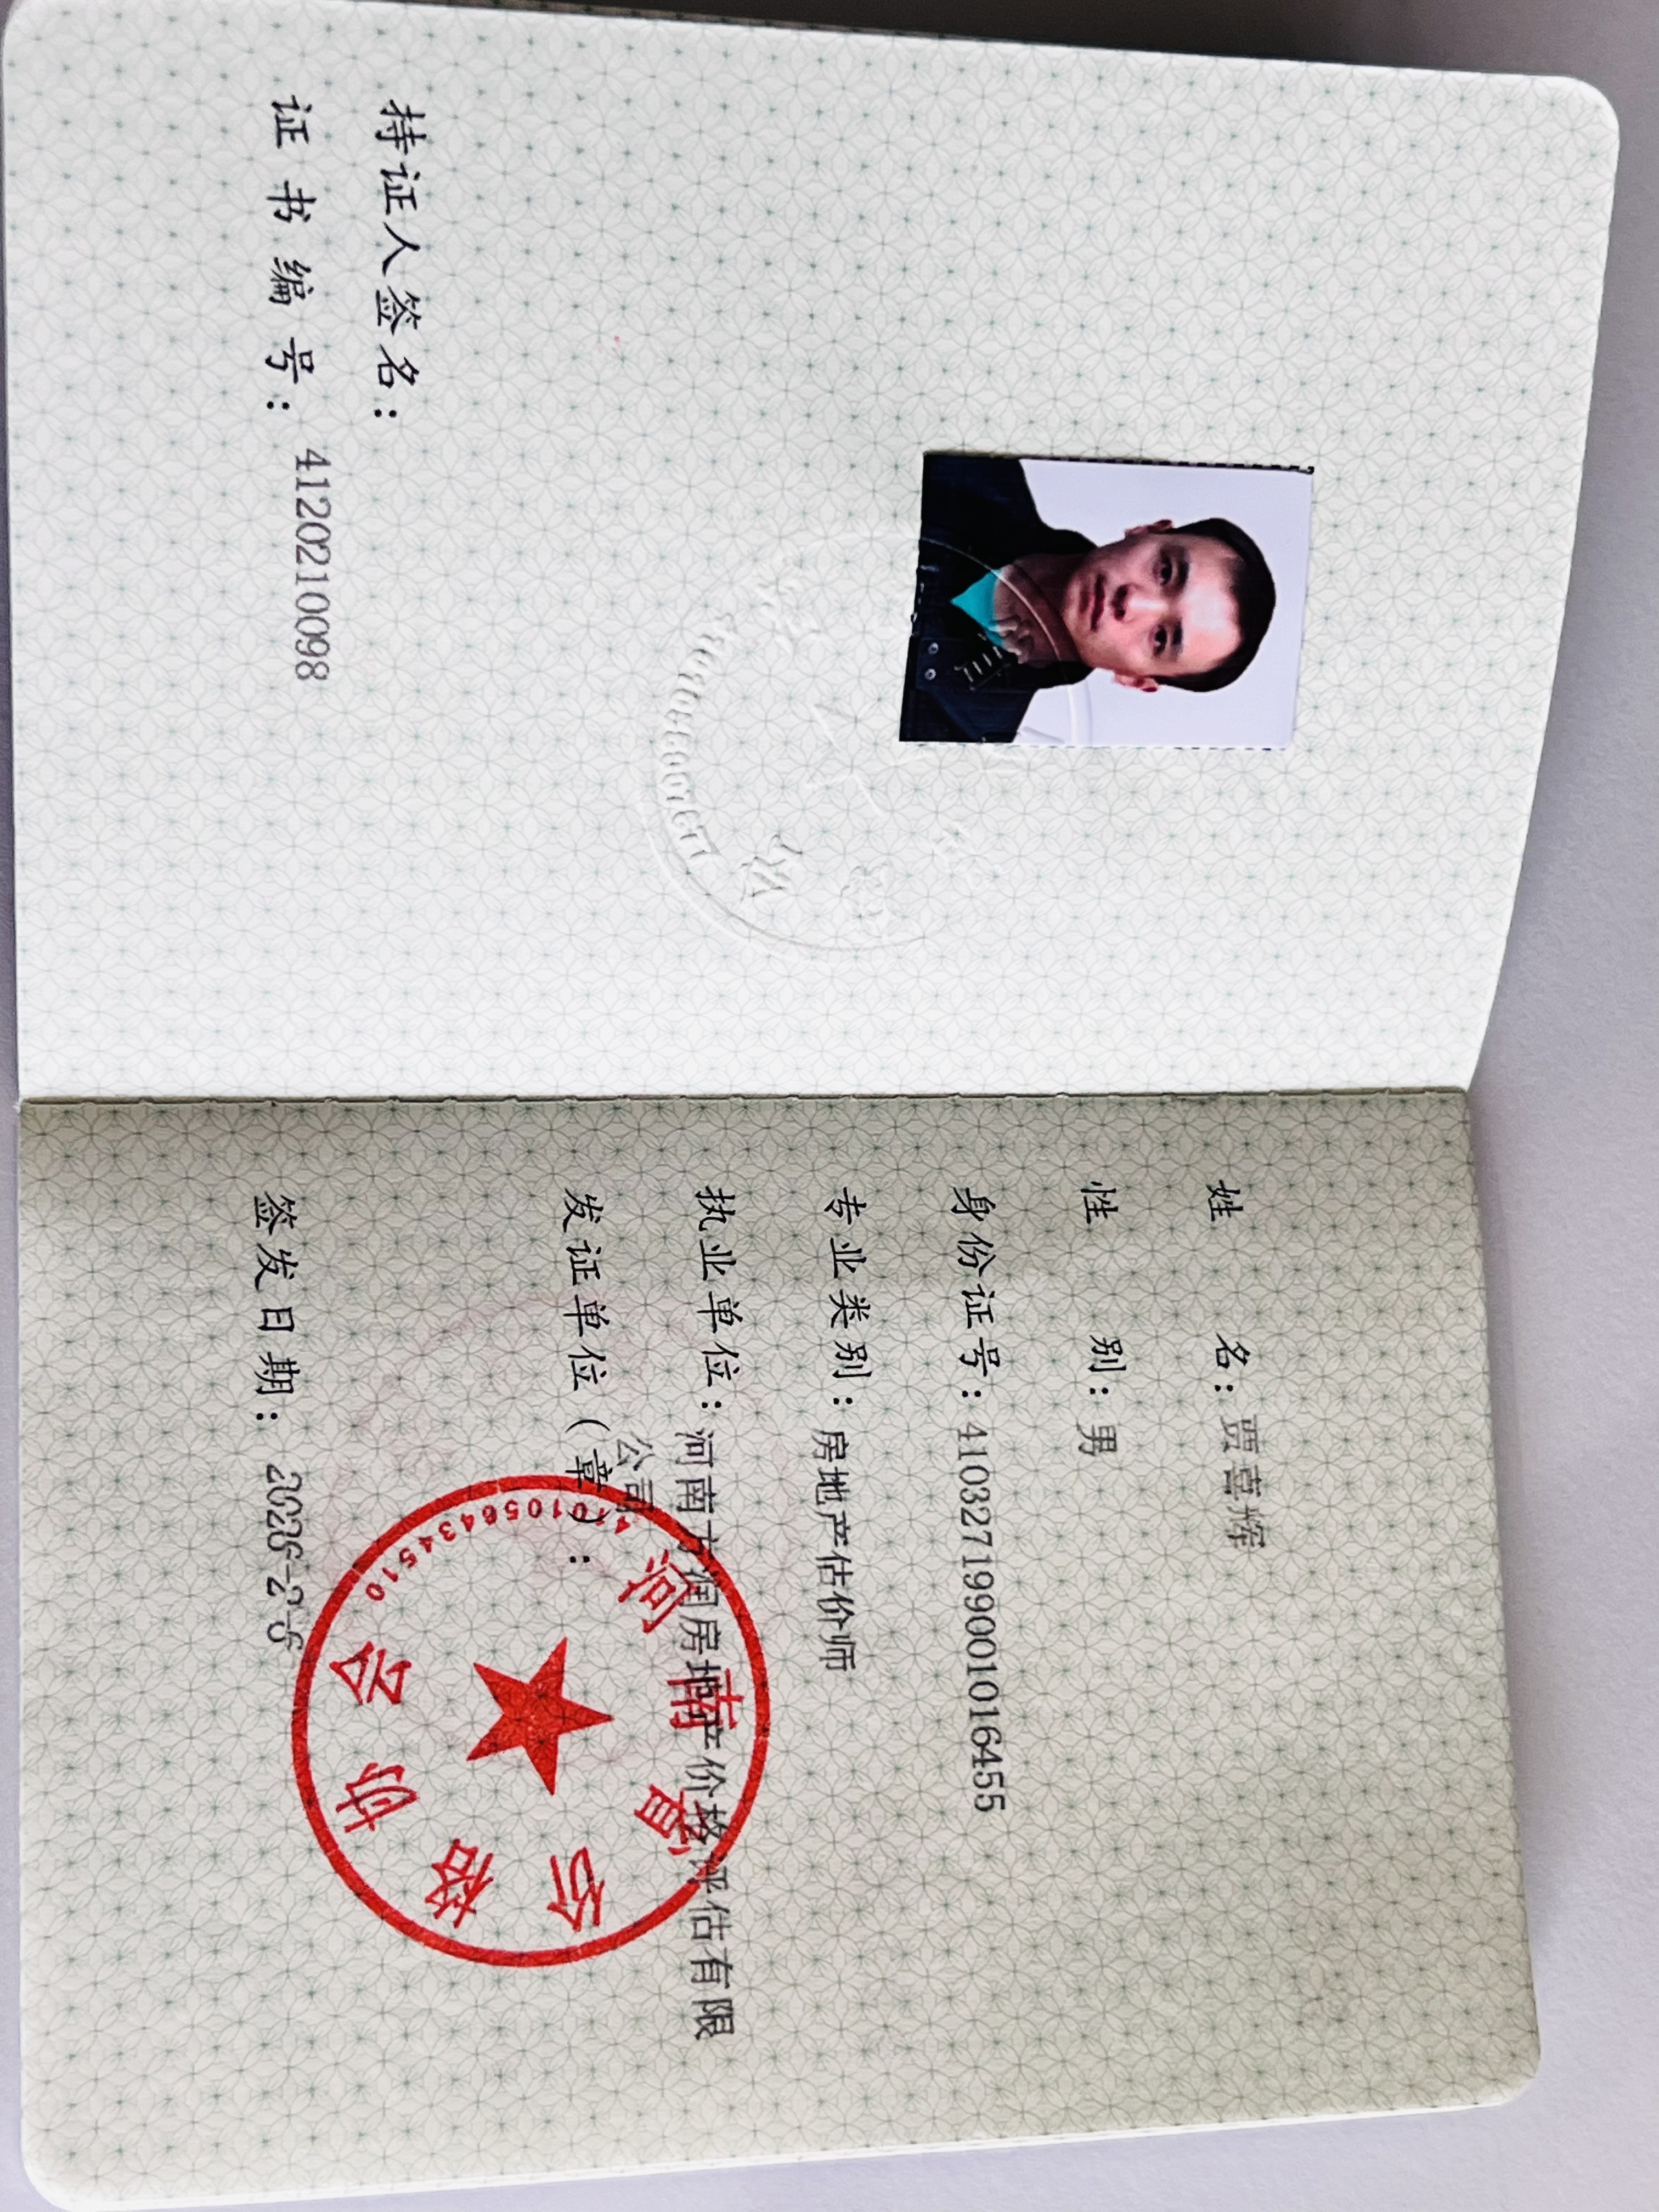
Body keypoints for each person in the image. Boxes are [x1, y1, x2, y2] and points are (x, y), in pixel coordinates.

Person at [899, 453, 1278, 744]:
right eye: (1165, 571)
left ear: (1136, 679)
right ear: (1148, 530)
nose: (1132, 603)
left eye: (1162, 638)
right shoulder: (970, 472)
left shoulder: (959, 737)